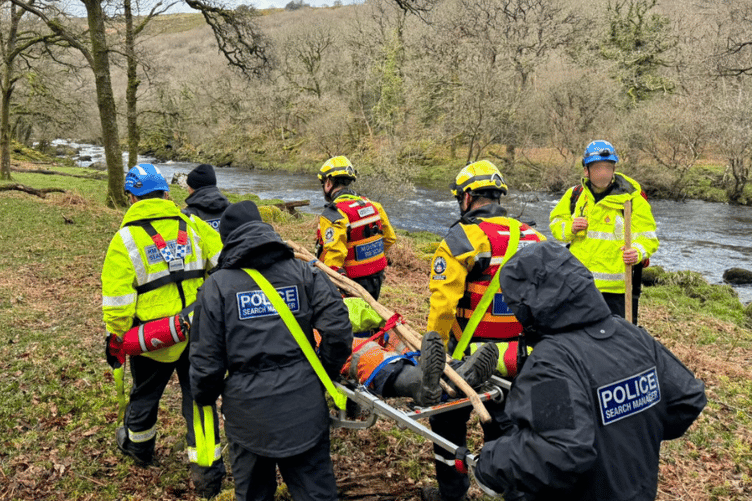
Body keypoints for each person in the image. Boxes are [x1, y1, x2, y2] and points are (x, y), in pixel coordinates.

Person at [473, 241, 706, 501]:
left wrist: (490, 461)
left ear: (525, 305)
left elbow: (561, 451)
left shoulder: (552, 361)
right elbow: (687, 399)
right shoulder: (630, 334)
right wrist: (628, 435)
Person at [189, 201, 353, 501]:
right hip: (304, 407)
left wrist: (204, 395)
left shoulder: (217, 287)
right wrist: (321, 376)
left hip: (247, 415)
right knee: (317, 494)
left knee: (252, 494)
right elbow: (339, 330)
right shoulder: (306, 273)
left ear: (228, 241)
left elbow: (205, 360)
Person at [423, 160, 546, 501]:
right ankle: (506, 486)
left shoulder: (464, 237)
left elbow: (443, 305)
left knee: (448, 426)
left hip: (466, 355)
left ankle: (453, 493)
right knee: (508, 425)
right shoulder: (533, 236)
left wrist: (434, 353)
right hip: (518, 355)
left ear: (466, 198)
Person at [101, 164, 226, 498]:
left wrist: (117, 336)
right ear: (167, 194)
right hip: (197, 332)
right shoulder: (194, 225)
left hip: (151, 339)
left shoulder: (124, 240)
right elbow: (224, 261)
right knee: (199, 399)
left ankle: (139, 450)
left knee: (144, 394)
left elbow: (117, 305)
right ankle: (207, 472)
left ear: (131, 198)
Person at [549, 140, 659, 323]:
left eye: (608, 167)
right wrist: (570, 228)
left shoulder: (632, 200)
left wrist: (637, 252)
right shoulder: (575, 195)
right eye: (598, 168)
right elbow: (555, 224)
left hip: (616, 290)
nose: (604, 173)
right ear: (586, 170)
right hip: (578, 285)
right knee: (579, 338)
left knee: (615, 341)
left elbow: (649, 238)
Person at [334, 298, 500, 406]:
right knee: (368, 354)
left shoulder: (330, 289)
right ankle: (418, 383)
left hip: (371, 326)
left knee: (405, 344)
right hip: (336, 335)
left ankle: (456, 373)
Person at [315, 155, 397, 300]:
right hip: (377, 275)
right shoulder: (374, 205)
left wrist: (332, 283)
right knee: (371, 313)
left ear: (328, 183)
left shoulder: (334, 214)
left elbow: (335, 254)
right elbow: (390, 238)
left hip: (352, 282)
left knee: (353, 319)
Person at [182, 163, 230, 232]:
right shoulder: (233, 210)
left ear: (193, 188)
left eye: (189, 186)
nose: (188, 189)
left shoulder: (188, 216)